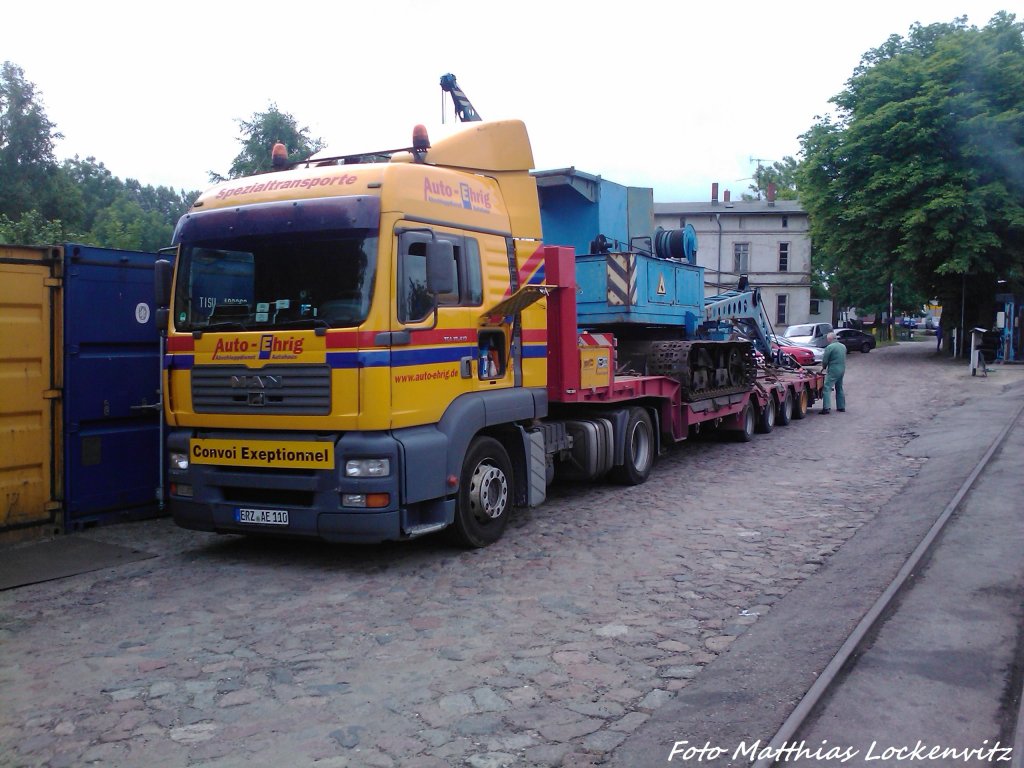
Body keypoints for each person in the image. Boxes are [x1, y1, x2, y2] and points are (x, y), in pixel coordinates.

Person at [819, 331, 847, 414]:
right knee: (839, 387)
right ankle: (841, 407)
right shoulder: (843, 346)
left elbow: (825, 360)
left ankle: (826, 408)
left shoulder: (830, 347)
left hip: (834, 369)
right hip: (842, 369)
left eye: (828, 339)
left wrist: (823, 367)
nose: (827, 340)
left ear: (830, 339)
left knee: (827, 387)